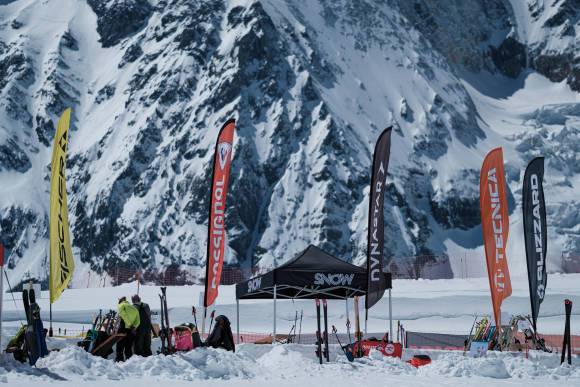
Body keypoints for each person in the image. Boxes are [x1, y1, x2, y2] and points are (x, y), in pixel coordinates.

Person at [116, 296, 140, 362]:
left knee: (120, 346)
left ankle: (119, 360)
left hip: (123, 329)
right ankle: (129, 361)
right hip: (131, 331)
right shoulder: (134, 308)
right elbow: (138, 321)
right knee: (128, 347)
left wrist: (129, 325)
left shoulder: (121, 305)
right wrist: (134, 327)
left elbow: (124, 315)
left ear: (120, 301)